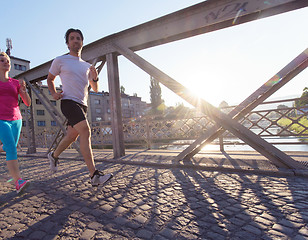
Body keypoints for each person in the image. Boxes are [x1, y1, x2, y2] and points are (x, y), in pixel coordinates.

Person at [47, 28, 113, 186]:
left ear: (82, 42)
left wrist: (95, 78)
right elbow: (50, 79)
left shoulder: (87, 66)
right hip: (68, 102)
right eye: (72, 38)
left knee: (72, 136)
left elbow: (95, 89)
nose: (75, 40)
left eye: (78, 38)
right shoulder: (60, 60)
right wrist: (54, 93)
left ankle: (54, 155)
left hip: (83, 105)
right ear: (68, 43)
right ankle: (94, 176)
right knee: (86, 131)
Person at [0, 52, 31, 193]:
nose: (6, 62)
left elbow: (28, 103)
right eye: (2, 60)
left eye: (7, 60)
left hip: (16, 119)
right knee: (11, 148)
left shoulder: (16, 83)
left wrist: (24, 91)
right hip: (1, 119)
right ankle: (18, 182)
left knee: (8, 148)